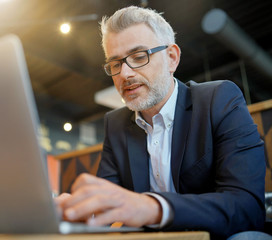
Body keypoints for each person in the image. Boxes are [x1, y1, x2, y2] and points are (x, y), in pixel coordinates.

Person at [55, 6, 267, 240]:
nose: (125, 73)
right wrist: (79, 211)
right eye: (115, 64)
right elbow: (108, 202)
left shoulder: (219, 99)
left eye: (139, 56)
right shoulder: (115, 123)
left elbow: (247, 207)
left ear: (171, 58)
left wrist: (151, 207)